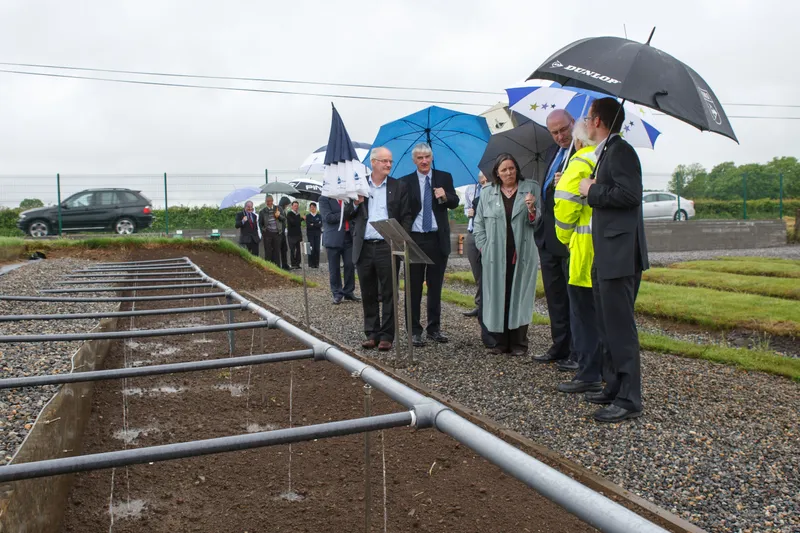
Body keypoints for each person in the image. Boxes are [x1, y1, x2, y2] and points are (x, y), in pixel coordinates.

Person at [578, 97, 650, 423]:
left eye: (588, 117)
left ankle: (629, 398)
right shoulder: (605, 152)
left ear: (598, 121)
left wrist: (591, 190)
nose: (586, 122)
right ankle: (613, 384)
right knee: (606, 325)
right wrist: (592, 186)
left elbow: (630, 195)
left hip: (620, 256)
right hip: (605, 254)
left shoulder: (621, 151)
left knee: (620, 328)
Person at [552, 121, 603, 394]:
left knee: (583, 319)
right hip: (606, 251)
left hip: (583, 253)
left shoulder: (580, 160)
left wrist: (563, 237)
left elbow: (565, 204)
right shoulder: (606, 158)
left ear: (579, 141)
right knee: (602, 317)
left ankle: (587, 373)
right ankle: (604, 370)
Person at [473, 153, 541, 356]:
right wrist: (483, 247)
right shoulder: (487, 192)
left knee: (519, 294)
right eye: (504, 170)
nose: (509, 172)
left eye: (512, 168)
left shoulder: (531, 188)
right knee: (497, 295)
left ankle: (519, 343)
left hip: (521, 252)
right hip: (495, 253)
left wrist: (532, 209)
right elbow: (479, 224)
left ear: (517, 168)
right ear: (497, 173)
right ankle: (500, 342)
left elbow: (538, 221)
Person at [350, 147, 413, 351]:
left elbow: (407, 216)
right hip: (364, 246)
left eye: (390, 161)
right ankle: (371, 333)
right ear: (373, 162)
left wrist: (399, 237)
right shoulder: (359, 186)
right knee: (368, 292)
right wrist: (355, 204)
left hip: (388, 246)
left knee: (389, 292)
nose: (388, 165)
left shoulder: (399, 186)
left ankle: (387, 335)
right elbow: (348, 215)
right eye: (384, 161)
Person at [400, 143, 460, 347]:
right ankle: (414, 330)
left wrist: (445, 196)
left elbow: (454, 202)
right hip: (415, 239)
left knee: (435, 288)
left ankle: (434, 328)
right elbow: (402, 210)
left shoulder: (444, 177)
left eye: (427, 157)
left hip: (437, 239)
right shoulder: (405, 182)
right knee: (413, 287)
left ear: (432, 158)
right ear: (414, 160)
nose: (424, 161)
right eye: (419, 158)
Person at [532, 109, 577, 371]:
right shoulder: (552, 153)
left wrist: (567, 181)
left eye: (563, 130)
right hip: (547, 237)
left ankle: (577, 351)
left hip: (568, 239)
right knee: (555, 297)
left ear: (574, 125)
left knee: (573, 298)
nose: (560, 136)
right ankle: (559, 345)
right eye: (555, 132)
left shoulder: (584, 152)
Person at [463, 171, 496, 348]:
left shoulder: (493, 189)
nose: (480, 174)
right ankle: (479, 304)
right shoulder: (471, 188)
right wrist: (469, 211)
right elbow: (465, 209)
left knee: (487, 276)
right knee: (477, 273)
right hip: (471, 233)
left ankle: (488, 311)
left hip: (488, 235)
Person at [319, 194, 360, 305]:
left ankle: (349, 291)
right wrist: (345, 213)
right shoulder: (324, 199)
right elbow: (328, 217)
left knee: (349, 265)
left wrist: (354, 206)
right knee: (334, 268)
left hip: (348, 236)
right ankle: (337, 293)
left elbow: (354, 214)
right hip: (333, 238)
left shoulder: (348, 197)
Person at [259, 195, 283, 265]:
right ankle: (268, 267)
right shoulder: (262, 211)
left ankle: (278, 268)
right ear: (265, 202)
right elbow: (260, 223)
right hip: (267, 234)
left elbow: (284, 219)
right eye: (267, 201)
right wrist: (263, 232)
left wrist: (279, 216)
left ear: (272, 201)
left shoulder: (278, 209)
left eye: (270, 201)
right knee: (268, 252)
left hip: (277, 233)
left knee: (277, 251)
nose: (269, 203)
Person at [305, 202, 322, 268]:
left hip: (317, 234)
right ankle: (311, 263)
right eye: (311, 207)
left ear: (316, 208)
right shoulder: (308, 216)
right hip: (310, 234)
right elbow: (309, 226)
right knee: (311, 248)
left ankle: (316, 263)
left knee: (317, 249)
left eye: (314, 207)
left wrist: (313, 224)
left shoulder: (319, 216)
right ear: (310, 208)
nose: (312, 209)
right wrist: (316, 224)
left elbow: (320, 225)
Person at [286, 201, 303, 269]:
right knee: (292, 250)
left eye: (297, 206)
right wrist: (301, 219)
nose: (296, 207)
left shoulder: (298, 214)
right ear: (292, 206)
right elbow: (293, 222)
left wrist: (300, 219)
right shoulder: (289, 214)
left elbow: (298, 224)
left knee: (299, 250)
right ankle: (293, 264)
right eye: (295, 206)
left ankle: (297, 264)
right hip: (291, 235)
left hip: (298, 235)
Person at [277, 196, 291, 270]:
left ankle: (285, 264)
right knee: (279, 249)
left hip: (282, 233)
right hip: (279, 233)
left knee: (284, 249)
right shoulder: (278, 209)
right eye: (287, 204)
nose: (287, 206)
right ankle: (280, 265)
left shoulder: (283, 210)